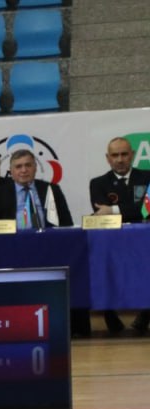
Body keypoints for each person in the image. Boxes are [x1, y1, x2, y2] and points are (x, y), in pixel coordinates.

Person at [88, 136, 150, 334]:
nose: (120, 159)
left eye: (124, 154)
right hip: (112, 243)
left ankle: (146, 315)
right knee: (100, 266)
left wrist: (113, 210)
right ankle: (108, 314)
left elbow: (145, 210)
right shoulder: (98, 183)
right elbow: (99, 211)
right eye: (115, 155)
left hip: (144, 242)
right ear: (108, 158)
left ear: (132, 155)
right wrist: (127, 209)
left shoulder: (147, 177)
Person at [0, 149, 73, 229]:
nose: (24, 170)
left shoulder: (52, 189)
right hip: (12, 243)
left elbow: (67, 223)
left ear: (35, 168)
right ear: (11, 171)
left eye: (28, 165)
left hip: (47, 241)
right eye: (18, 167)